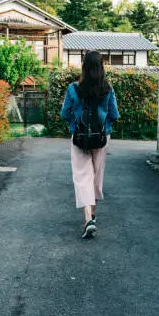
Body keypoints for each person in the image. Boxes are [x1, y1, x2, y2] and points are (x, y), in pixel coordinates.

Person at [61, 51, 119, 238]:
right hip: (102, 138)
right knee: (95, 176)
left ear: (84, 66)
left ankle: (88, 219)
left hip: (79, 138)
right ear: (101, 66)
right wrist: (103, 124)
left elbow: (64, 113)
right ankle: (92, 215)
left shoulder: (73, 88)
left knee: (82, 176)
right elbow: (114, 115)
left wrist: (75, 123)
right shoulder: (108, 88)